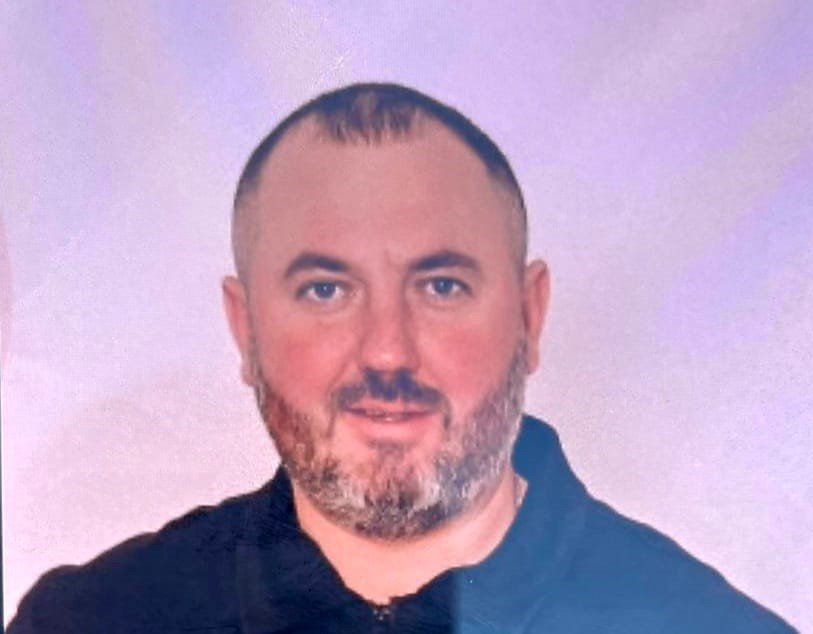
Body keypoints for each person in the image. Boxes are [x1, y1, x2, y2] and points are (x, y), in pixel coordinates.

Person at [8, 83, 796, 633]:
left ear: (528, 315)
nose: (386, 349)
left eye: (441, 285)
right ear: (244, 329)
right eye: (325, 290)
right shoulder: (91, 620)